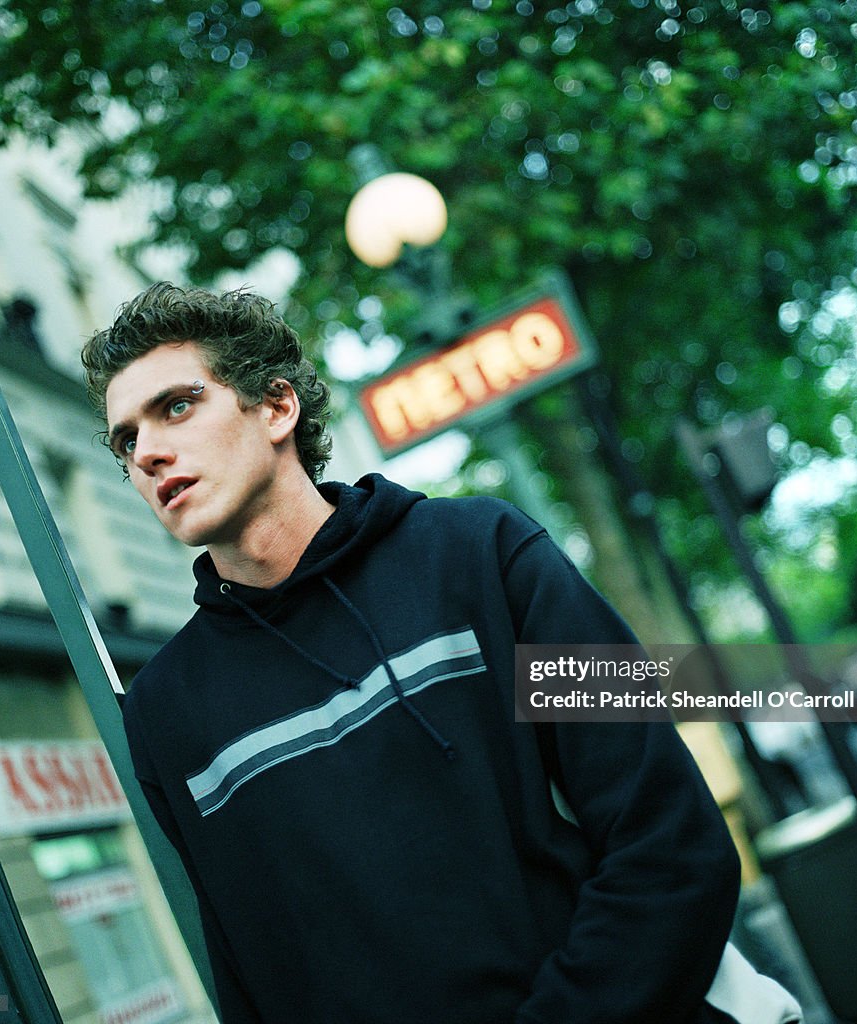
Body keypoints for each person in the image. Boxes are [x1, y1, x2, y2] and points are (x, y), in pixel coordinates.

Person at [85, 282, 747, 1024]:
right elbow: (257, 985)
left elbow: (669, 843)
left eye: (176, 406)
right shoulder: (165, 711)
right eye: (126, 440)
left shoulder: (484, 554)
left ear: (275, 407)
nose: (148, 453)